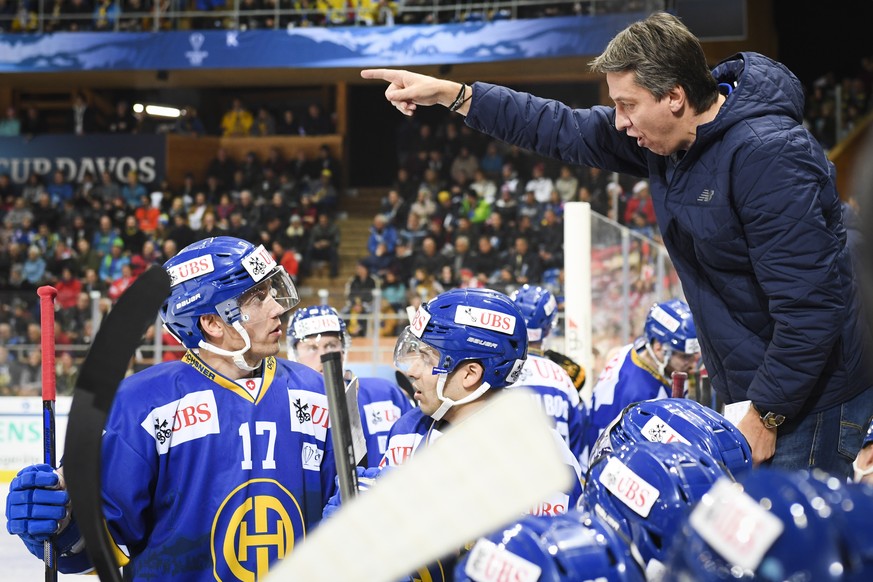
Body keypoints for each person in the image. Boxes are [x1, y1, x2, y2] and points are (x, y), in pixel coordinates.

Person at [361, 11, 873, 477]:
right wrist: (456, 95)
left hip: (813, 400)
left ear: (675, 96)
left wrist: (766, 413)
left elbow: (813, 308)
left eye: (627, 105)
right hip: (764, 389)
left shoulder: (769, 156)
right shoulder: (671, 141)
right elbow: (558, 126)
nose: (621, 122)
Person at [6, 236, 338, 580]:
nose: (276, 308)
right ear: (211, 323)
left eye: (270, 291)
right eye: (257, 298)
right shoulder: (141, 404)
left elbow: (346, 513)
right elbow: (98, 547)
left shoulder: (317, 391)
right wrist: (60, 525)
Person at [286, 303, 412, 467]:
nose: (324, 356)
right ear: (294, 355)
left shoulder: (385, 395)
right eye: (311, 348)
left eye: (331, 345)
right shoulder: (287, 408)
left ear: (343, 350)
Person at [587, 299, 700, 448]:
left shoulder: (631, 351)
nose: (693, 365)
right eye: (685, 356)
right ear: (659, 347)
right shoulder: (642, 396)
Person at [510, 284, 589, 467]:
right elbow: (580, 445)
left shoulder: (498, 369)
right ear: (548, 327)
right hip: (559, 486)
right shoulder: (561, 377)